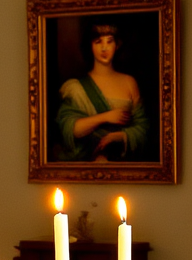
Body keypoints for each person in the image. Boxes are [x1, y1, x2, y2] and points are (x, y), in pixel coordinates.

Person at [55, 19, 149, 162]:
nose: (104, 48)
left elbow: (143, 128)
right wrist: (106, 116)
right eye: (98, 42)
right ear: (90, 46)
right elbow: (71, 129)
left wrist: (120, 136)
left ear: (117, 45)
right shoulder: (75, 88)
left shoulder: (129, 82)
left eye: (109, 41)